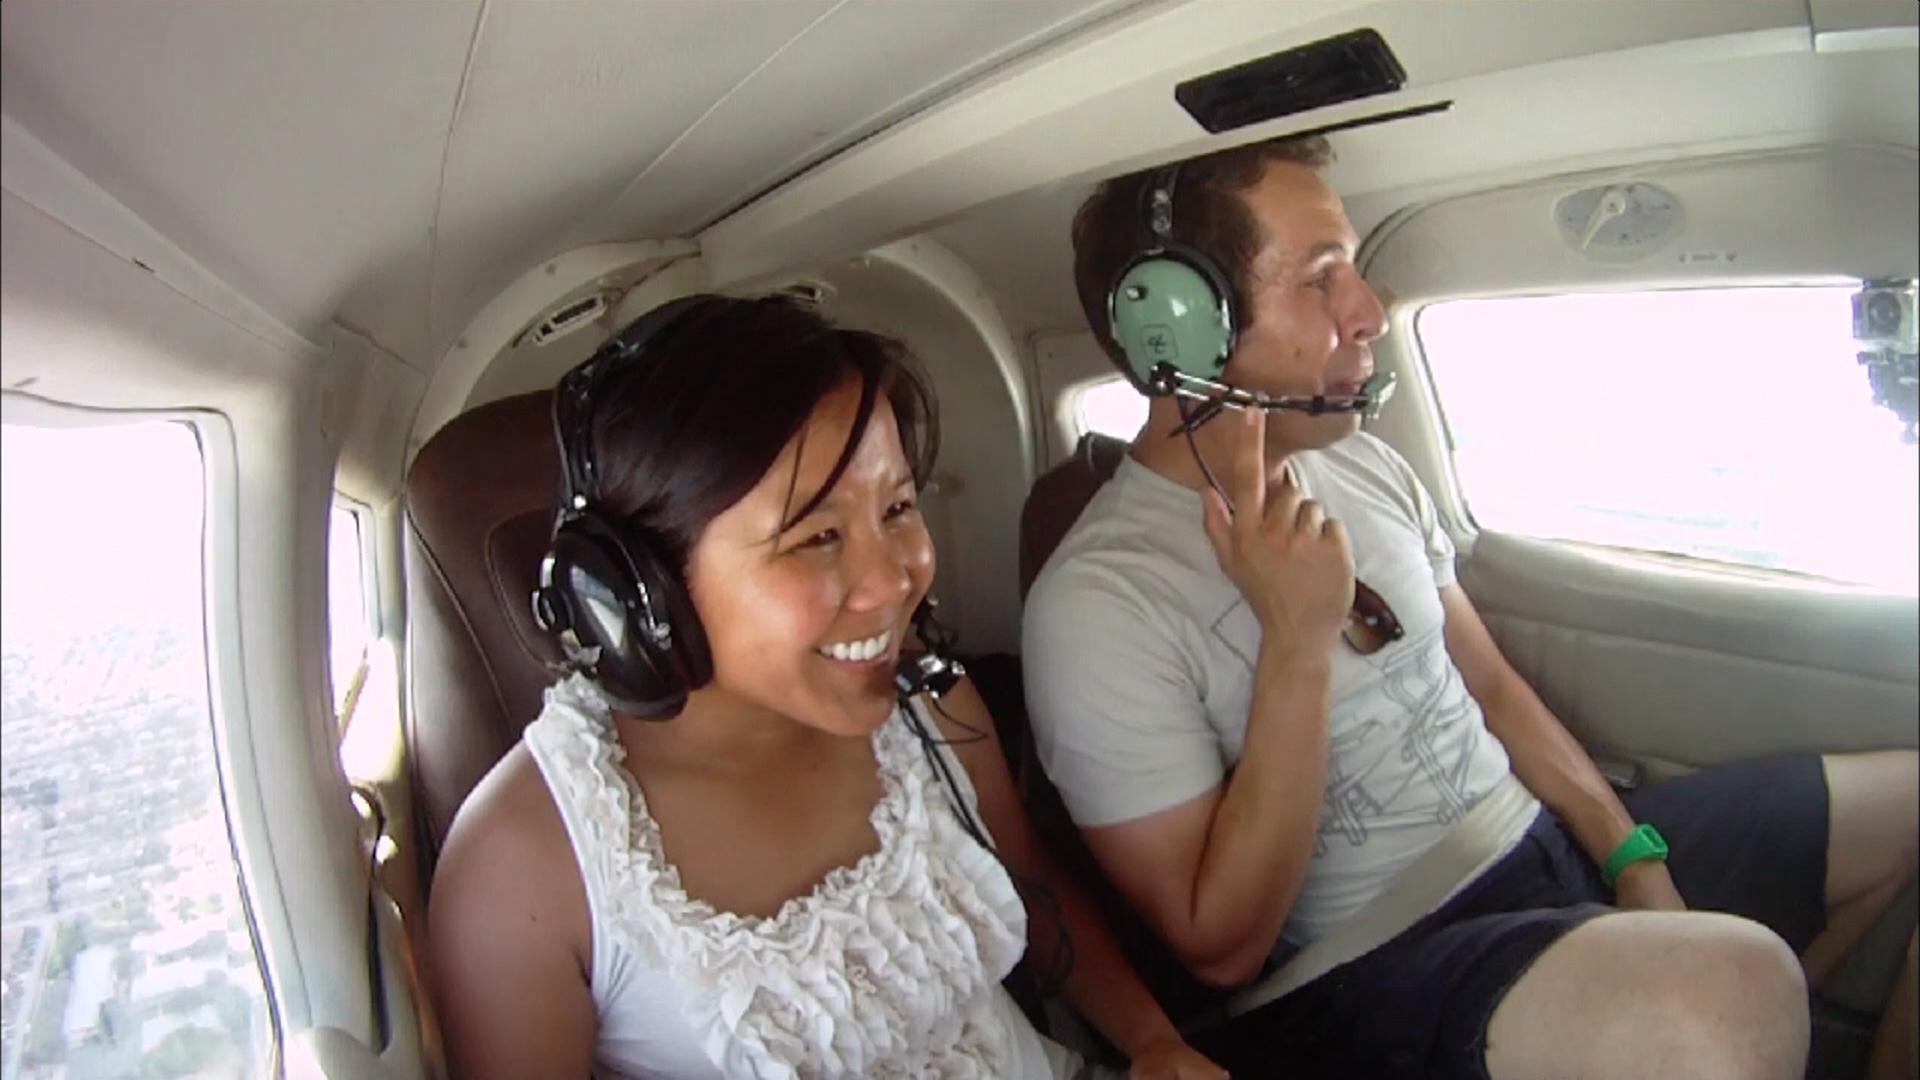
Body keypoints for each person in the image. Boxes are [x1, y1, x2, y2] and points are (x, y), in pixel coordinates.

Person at [1022, 134, 1919, 1080]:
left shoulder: (1360, 460)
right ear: (1176, 326)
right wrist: (1295, 644)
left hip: (1538, 844)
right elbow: (1220, 947)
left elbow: (1490, 687)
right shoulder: (1097, 605)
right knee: (1730, 993)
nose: (1368, 312)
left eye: (1355, 270)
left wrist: (1631, 857)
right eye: (1321, 279)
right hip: (1378, 961)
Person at [426, 294, 1228, 1080]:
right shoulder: (524, 868)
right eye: (817, 536)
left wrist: (1152, 1042)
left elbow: (1034, 888)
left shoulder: (930, 706)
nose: (893, 581)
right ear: (642, 591)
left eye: (900, 507)